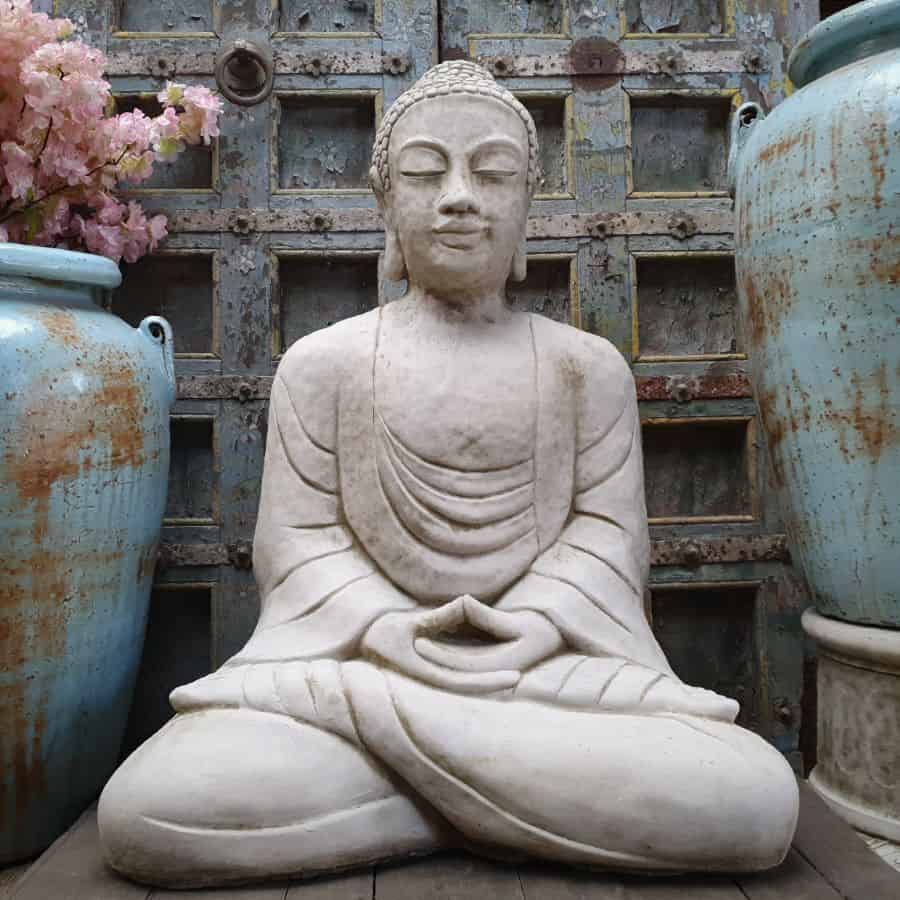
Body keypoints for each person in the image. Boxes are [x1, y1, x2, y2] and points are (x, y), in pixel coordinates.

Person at [98, 62, 798, 888]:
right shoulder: (323, 366)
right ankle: (498, 804)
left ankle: (425, 798)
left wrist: (535, 627)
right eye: (426, 173)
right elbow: (297, 541)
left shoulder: (586, 369)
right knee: (148, 807)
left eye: (492, 173)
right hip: (365, 671)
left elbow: (608, 541)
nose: (460, 197)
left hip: (543, 673)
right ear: (386, 205)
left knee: (752, 800)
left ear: (526, 209)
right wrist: (386, 629)